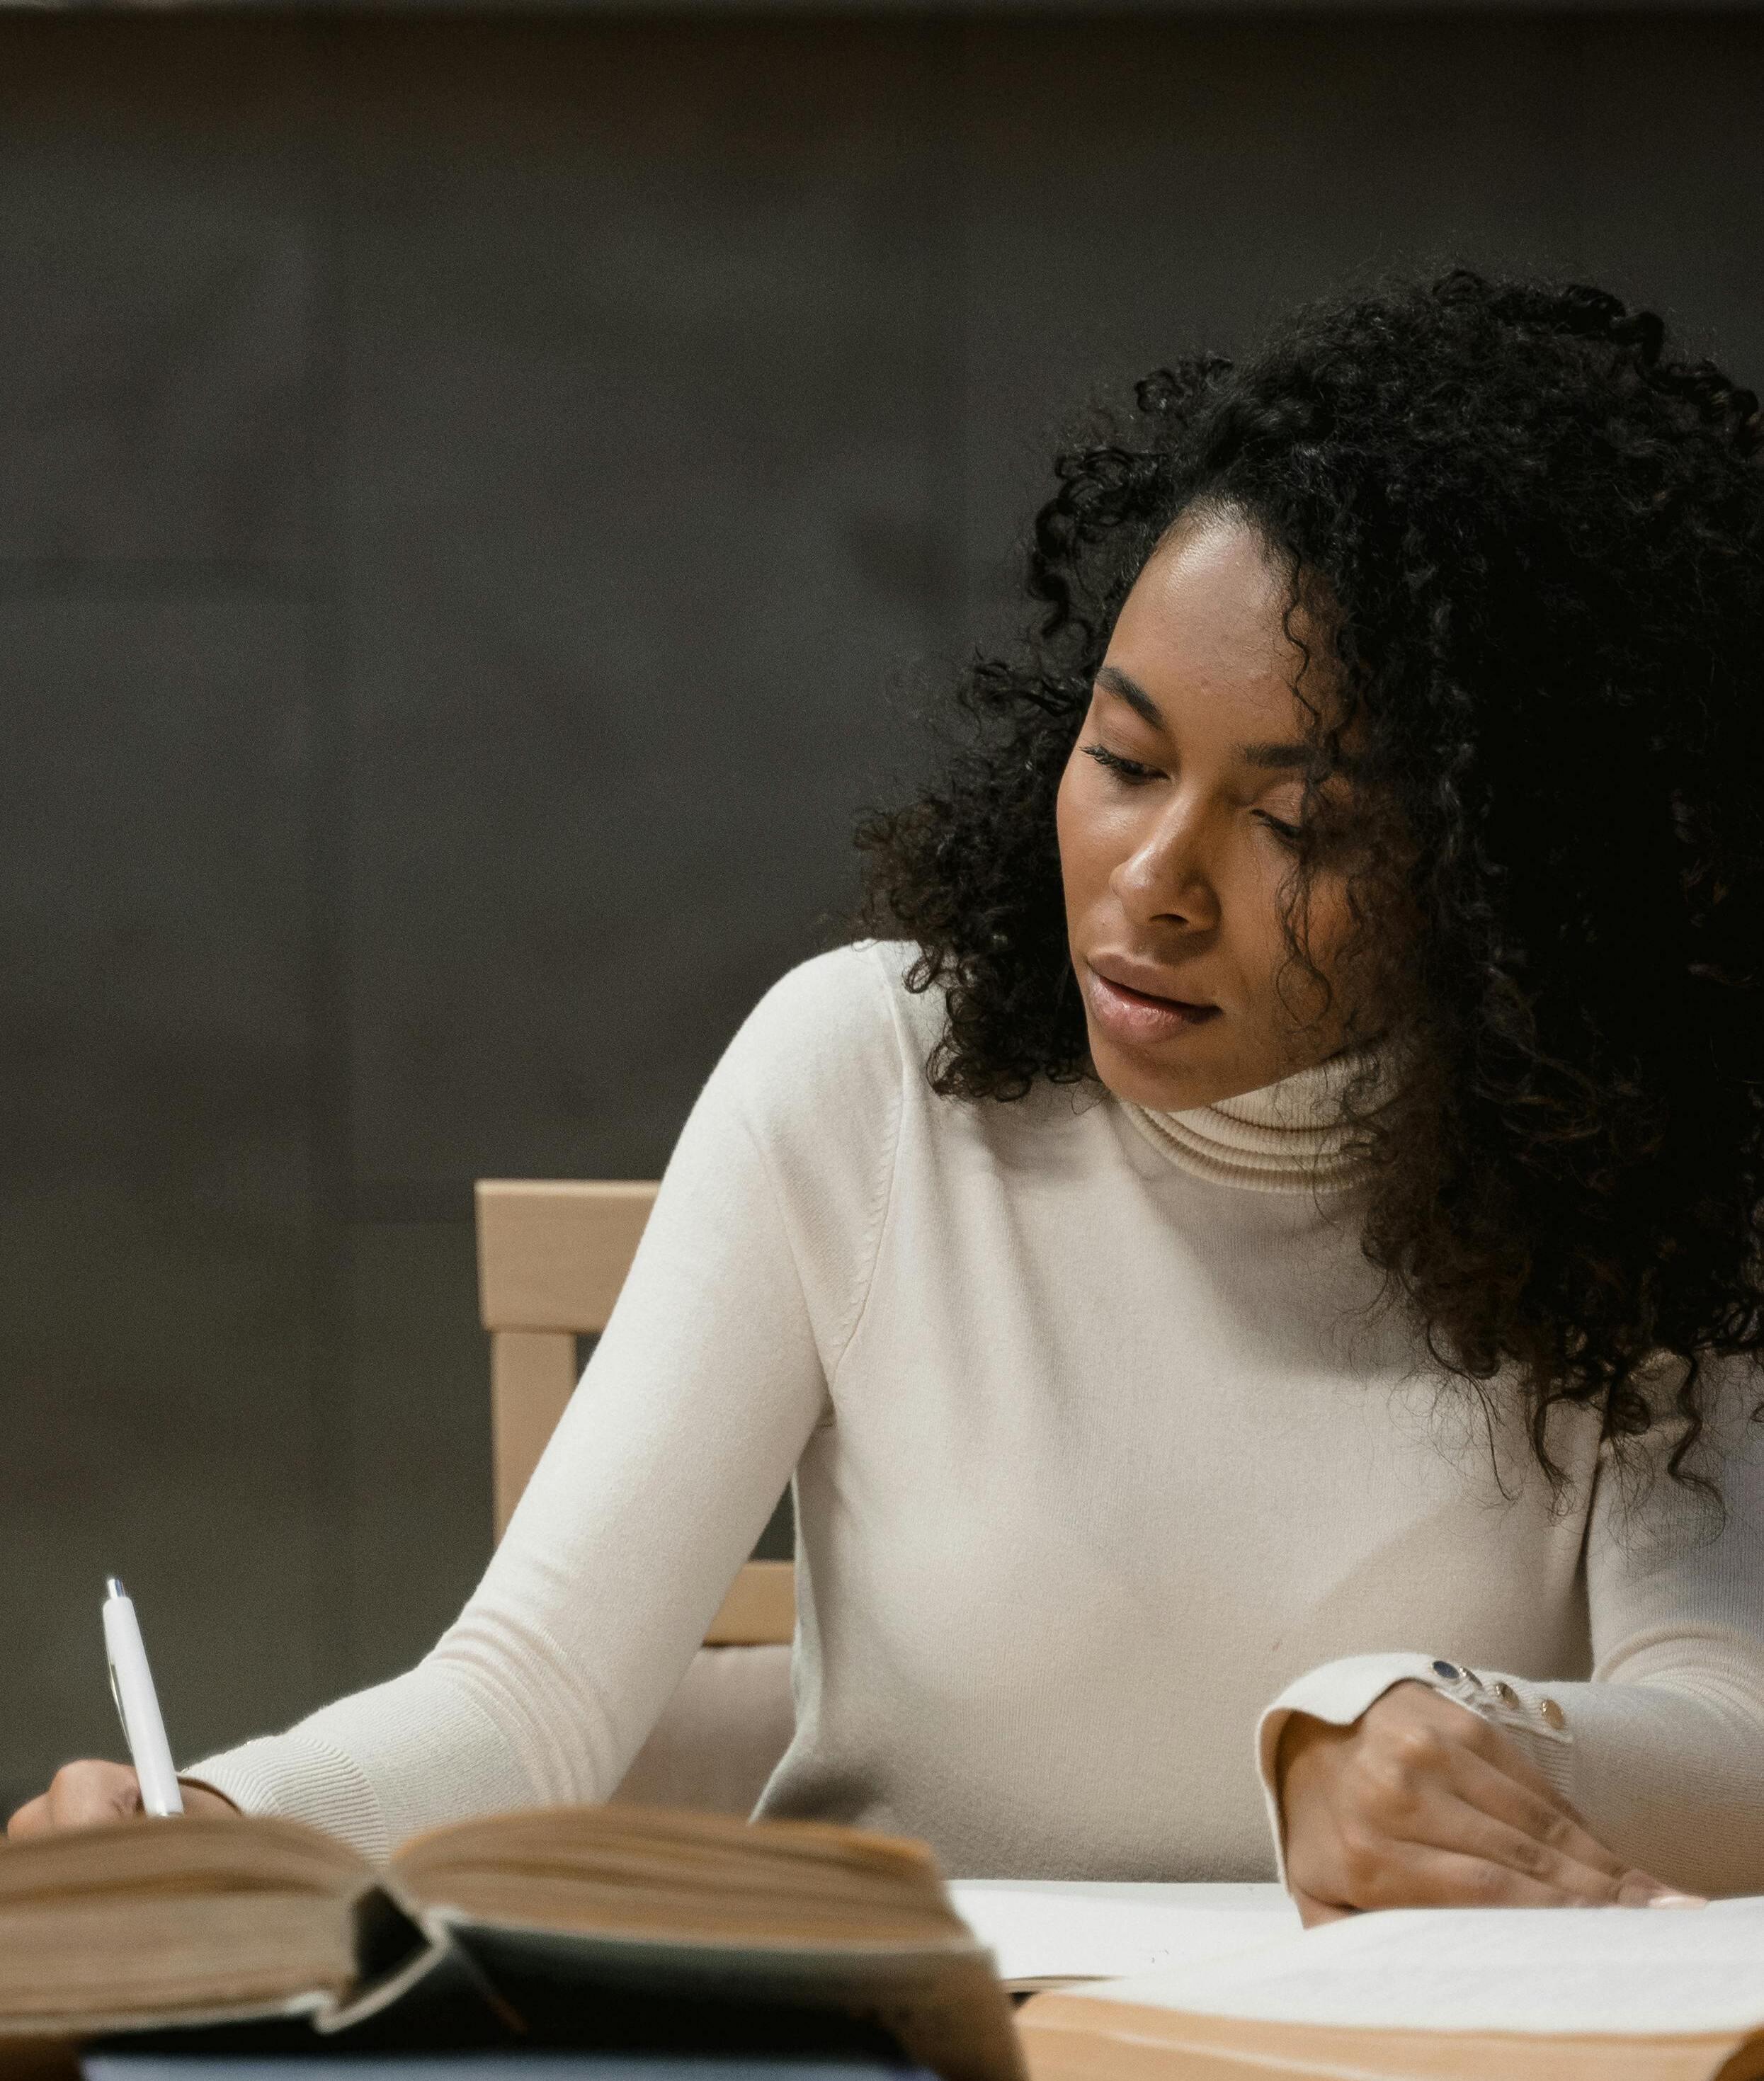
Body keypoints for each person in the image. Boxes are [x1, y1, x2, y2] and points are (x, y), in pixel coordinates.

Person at [14, 268, 1764, 1925]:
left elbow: (1736, 1724)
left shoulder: (1628, 1185)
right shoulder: (873, 1079)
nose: (1151, 879)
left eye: (1297, 824)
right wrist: (215, 1832)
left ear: (1505, 879)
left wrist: (1421, 1720)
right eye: (1125, 758)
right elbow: (528, 1696)